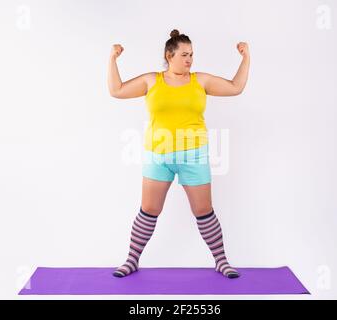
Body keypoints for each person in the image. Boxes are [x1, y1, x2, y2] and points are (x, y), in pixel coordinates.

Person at [107, 29, 250, 278]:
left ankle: (222, 261)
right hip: (157, 156)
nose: (189, 59)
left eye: (192, 55)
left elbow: (235, 87)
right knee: (148, 210)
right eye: (184, 54)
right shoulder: (152, 80)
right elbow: (117, 90)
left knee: (204, 211)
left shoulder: (200, 80)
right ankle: (131, 260)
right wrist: (112, 59)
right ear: (169, 55)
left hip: (193, 155)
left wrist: (246, 57)